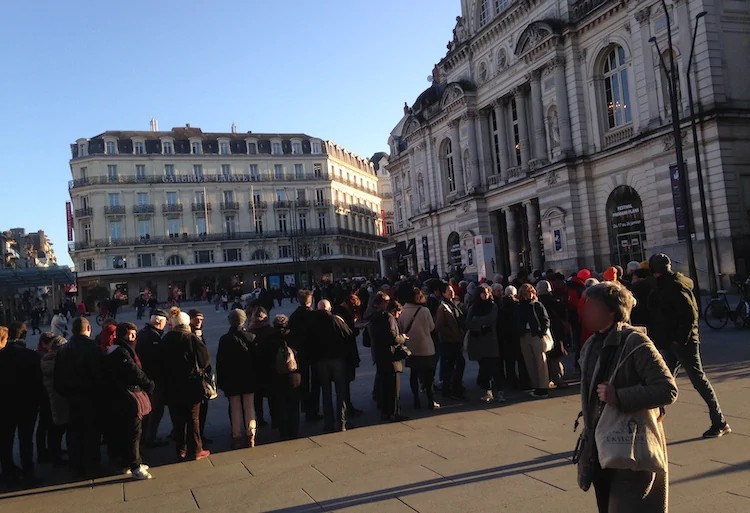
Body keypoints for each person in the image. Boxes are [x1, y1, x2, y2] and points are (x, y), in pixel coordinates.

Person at [578, 281, 677, 512]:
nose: (586, 311)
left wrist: (619, 396)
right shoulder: (591, 344)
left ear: (611, 310)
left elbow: (667, 389)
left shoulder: (636, 342)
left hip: (630, 445)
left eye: (592, 306)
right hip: (601, 446)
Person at [647, 253, 730, 438]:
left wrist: (679, 339)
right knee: (663, 381)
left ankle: (720, 421)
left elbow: (690, 315)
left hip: (682, 343)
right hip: (670, 341)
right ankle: (651, 420)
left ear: (654, 270)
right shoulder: (666, 285)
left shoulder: (674, 286)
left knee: (698, 380)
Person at [54, 316, 103, 477]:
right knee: (92, 432)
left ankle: (76, 464)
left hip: (71, 398)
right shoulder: (93, 347)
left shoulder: (63, 350)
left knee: (74, 432)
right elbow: (99, 375)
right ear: (88, 329)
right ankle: (92, 464)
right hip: (91, 397)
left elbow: (57, 378)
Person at [104, 322, 154, 479]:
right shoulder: (121, 351)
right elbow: (133, 371)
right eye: (131, 334)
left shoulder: (118, 349)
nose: (134, 337)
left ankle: (129, 462)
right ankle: (135, 465)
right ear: (123, 334)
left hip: (122, 395)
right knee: (134, 431)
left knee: (129, 430)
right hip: (128, 395)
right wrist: (148, 383)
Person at [161, 312, 210, 461]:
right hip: (191, 384)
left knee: (177, 419)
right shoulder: (191, 338)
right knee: (193, 417)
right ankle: (196, 449)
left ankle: (181, 449)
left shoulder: (166, 339)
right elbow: (204, 360)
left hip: (171, 385)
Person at [0, 322, 42, 486]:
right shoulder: (31, 356)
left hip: (4, 404)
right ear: (24, 336)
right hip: (27, 404)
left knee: (6, 440)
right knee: (26, 439)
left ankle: (8, 472)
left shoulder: (1, 355)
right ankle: (28, 472)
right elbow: (38, 383)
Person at [216, 309, 258, 449]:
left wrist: (221, 381)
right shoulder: (251, 337)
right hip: (249, 377)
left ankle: (237, 436)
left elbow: (220, 363)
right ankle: (251, 434)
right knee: (249, 406)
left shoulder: (224, 339)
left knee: (235, 408)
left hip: (232, 379)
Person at [310, 300, 352, 432]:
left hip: (321, 361)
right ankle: (341, 422)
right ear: (329, 309)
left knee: (326, 393)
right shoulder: (336, 320)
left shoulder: (313, 323)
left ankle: (328, 423)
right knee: (341, 391)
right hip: (337, 359)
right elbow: (349, 335)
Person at [370, 294, 410, 422]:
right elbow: (393, 336)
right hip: (390, 356)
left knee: (384, 386)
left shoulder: (375, 317)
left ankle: (385, 412)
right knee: (393, 387)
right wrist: (402, 338)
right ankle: (393, 412)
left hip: (380, 355)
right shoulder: (389, 318)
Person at [398, 288, 439, 410]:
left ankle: (416, 399)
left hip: (410, 348)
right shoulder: (424, 311)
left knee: (414, 374)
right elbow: (432, 327)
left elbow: (400, 329)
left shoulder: (402, 311)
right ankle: (430, 399)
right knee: (428, 376)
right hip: (426, 346)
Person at [136, 310, 168, 448]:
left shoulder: (143, 333)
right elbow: (156, 359)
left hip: (146, 379)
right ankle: (149, 438)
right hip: (153, 380)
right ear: (159, 322)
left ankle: (146, 437)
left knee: (150, 410)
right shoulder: (152, 337)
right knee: (155, 410)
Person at [466, 284, 504, 402]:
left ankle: (499, 391)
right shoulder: (474, 307)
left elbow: (491, 319)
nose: (485, 294)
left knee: (493, 366)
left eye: (487, 292)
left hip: (490, 340)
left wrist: (477, 321)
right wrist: (480, 324)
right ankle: (488, 390)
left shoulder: (493, 306)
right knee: (483, 367)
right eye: (483, 292)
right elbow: (468, 322)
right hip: (478, 340)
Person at [288, 289, 322, 422]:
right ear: (310, 301)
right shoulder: (315, 315)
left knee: (304, 383)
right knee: (314, 383)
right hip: (314, 353)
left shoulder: (294, 316)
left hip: (300, 353)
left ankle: (306, 408)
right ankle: (313, 410)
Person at [269, 314, 302, 440]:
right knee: (294, 404)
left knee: (280, 404)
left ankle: (283, 431)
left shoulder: (270, 338)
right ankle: (294, 430)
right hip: (294, 375)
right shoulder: (293, 336)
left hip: (277, 376)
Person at [39, 333, 69, 468]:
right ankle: (55, 456)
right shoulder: (58, 362)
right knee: (56, 430)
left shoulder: (45, 360)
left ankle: (53, 453)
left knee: (53, 429)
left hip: (50, 398)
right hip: (58, 399)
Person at [517, 283, 551, 398]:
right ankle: (536, 386)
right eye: (527, 293)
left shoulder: (537, 305)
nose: (530, 295)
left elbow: (545, 319)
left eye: (531, 292)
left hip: (536, 335)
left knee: (541, 361)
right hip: (524, 335)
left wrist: (542, 331)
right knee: (529, 362)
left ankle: (543, 387)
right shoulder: (520, 306)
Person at [434, 281, 466, 400]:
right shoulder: (443, 307)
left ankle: (451, 389)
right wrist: (452, 333)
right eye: (449, 290)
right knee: (454, 365)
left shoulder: (452, 304)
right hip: (449, 342)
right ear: (443, 293)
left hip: (455, 341)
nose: (452, 292)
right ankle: (452, 389)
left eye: (452, 290)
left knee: (454, 365)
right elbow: (439, 326)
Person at [333, 294, 363, 417]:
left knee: (345, 382)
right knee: (345, 382)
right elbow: (348, 333)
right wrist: (357, 329)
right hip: (346, 352)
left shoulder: (340, 310)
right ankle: (347, 408)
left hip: (345, 352)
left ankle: (348, 406)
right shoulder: (343, 313)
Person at [246, 306, 276, 429]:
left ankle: (260, 418)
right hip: (270, 368)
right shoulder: (271, 331)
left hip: (255, 369)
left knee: (257, 398)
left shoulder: (249, 332)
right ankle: (275, 418)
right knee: (272, 396)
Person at [536, 280, 568, 388]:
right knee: (556, 356)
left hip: (542, 332)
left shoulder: (537, 303)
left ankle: (548, 378)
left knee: (546, 356)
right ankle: (558, 378)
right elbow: (563, 317)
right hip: (556, 331)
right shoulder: (555, 302)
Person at [188, 309, 212, 444]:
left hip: (203, 376)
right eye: (196, 319)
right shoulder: (189, 334)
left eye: (201, 319)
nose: (199, 322)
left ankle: (200, 434)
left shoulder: (199, 333)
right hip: (194, 377)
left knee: (203, 409)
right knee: (196, 411)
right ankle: (196, 438)